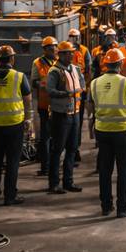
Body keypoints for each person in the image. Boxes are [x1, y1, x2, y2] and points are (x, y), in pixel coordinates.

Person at [87, 48, 126, 218]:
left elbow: (90, 105)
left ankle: (106, 206)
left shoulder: (95, 83)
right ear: (120, 63)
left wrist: (92, 123)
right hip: (123, 131)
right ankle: (122, 208)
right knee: (124, 170)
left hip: (102, 131)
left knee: (105, 170)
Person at [0, 44, 33, 206]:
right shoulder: (19, 76)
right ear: (11, 58)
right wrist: (28, 120)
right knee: (12, 162)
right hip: (14, 125)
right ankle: (10, 196)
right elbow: (27, 101)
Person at [46, 41, 84, 194]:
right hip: (60, 115)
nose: (71, 54)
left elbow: (81, 84)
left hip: (74, 114)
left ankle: (68, 182)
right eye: (68, 52)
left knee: (72, 149)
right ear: (60, 55)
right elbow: (50, 90)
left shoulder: (75, 68)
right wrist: (66, 94)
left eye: (72, 52)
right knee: (57, 150)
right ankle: (54, 183)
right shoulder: (54, 71)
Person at [31, 36, 58, 176]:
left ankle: (55, 166)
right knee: (45, 137)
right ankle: (45, 167)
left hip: (59, 106)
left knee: (57, 137)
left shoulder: (58, 61)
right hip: (45, 104)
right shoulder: (38, 63)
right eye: (50, 48)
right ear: (45, 50)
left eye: (54, 47)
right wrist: (47, 85)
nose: (53, 50)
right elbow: (34, 82)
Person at [65, 28, 90, 167]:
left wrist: (86, 87)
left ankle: (75, 149)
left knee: (77, 122)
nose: (74, 39)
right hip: (68, 93)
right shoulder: (64, 49)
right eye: (72, 37)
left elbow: (88, 69)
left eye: (76, 37)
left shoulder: (84, 51)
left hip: (80, 92)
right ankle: (70, 150)